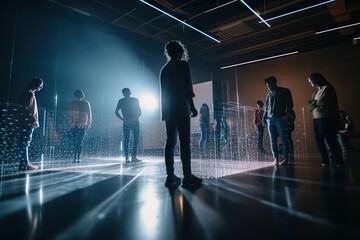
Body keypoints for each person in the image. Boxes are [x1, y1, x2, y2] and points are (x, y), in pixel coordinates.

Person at [159, 40, 203, 187]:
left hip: (168, 111)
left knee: (170, 143)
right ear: (180, 51)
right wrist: (192, 107)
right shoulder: (183, 65)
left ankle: (170, 176)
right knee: (184, 143)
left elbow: (164, 93)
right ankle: (187, 176)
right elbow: (187, 88)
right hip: (181, 109)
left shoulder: (164, 69)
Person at [307, 72, 344, 167]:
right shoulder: (315, 92)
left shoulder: (328, 88)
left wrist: (313, 104)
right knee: (319, 141)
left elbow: (321, 103)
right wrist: (314, 104)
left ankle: (339, 161)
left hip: (327, 118)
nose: (310, 83)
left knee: (330, 140)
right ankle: (325, 160)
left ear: (315, 80)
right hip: (316, 119)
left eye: (310, 81)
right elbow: (309, 105)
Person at [263, 76, 294, 166]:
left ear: (274, 83)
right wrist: (264, 118)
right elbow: (266, 107)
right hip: (270, 119)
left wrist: (287, 116)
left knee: (283, 139)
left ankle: (286, 159)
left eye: (268, 85)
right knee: (273, 139)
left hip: (281, 118)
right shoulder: (269, 94)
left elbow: (290, 104)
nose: (268, 87)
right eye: (267, 86)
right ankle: (276, 159)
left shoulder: (285, 91)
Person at [18, 77, 44, 171]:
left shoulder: (28, 93)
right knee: (25, 143)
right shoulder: (28, 94)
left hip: (26, 122)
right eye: (40, 85)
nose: (41, 88)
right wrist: (33, 120)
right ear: (35, 84)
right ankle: (25, 163)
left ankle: (24, 163)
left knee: (24, 143)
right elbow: (27, 110)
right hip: (28, 122)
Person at [115, 88, 142, 163]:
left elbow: (140, 111)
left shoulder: (134, 100)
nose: (126, 93)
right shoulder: (123, 101)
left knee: (133, 139)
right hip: (129, 121)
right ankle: (128, 157)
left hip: (132, 121)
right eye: (124, 92)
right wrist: (123, 119)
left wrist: (134, 118)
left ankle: (132, 157)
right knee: (128, 139)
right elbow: (116, 112)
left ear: (129, 92)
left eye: (126, 92)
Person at [68, 90, 92, 163]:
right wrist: (70, 124)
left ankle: (78, 157)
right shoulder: (72, 103)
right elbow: (70, 114)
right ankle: (76, 157)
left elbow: (89, 114)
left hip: (82, 125)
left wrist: (88, 124)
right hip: (74, 125)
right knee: (75, 142)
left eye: (78, 95)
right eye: (76, 95)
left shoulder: (86, 103)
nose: (77, 96)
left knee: (79, 142)